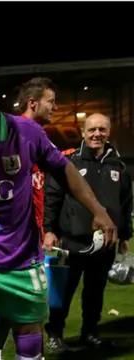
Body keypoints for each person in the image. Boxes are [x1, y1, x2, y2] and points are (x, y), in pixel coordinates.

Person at [0, 62, 117, 360]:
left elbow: (63, 168)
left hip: (23, 260)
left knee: (30, 348)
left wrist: (97, 209)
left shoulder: (25, 132)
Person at [43, 113, 132, 353]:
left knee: (95, 293)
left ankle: (90, 332)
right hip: (72, 241)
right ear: (83, 133)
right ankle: (55, 334)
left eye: (102, 129)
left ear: (108, 132)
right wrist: (49, 230)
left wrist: (124, 236)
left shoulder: (118, 165)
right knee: (62, 292)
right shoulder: (68, 162)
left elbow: (125, 203)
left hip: (105, 244)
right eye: (92, 130)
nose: (97, 134)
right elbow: (52, 196)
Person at [0, 77, 58, 360]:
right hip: (7, 241)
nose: (55, 107)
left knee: (20, 307)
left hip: (31, 233)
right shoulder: (11, 134)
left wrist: (45, 227)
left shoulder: (39, 136)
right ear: (33, 103)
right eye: (51, 101)